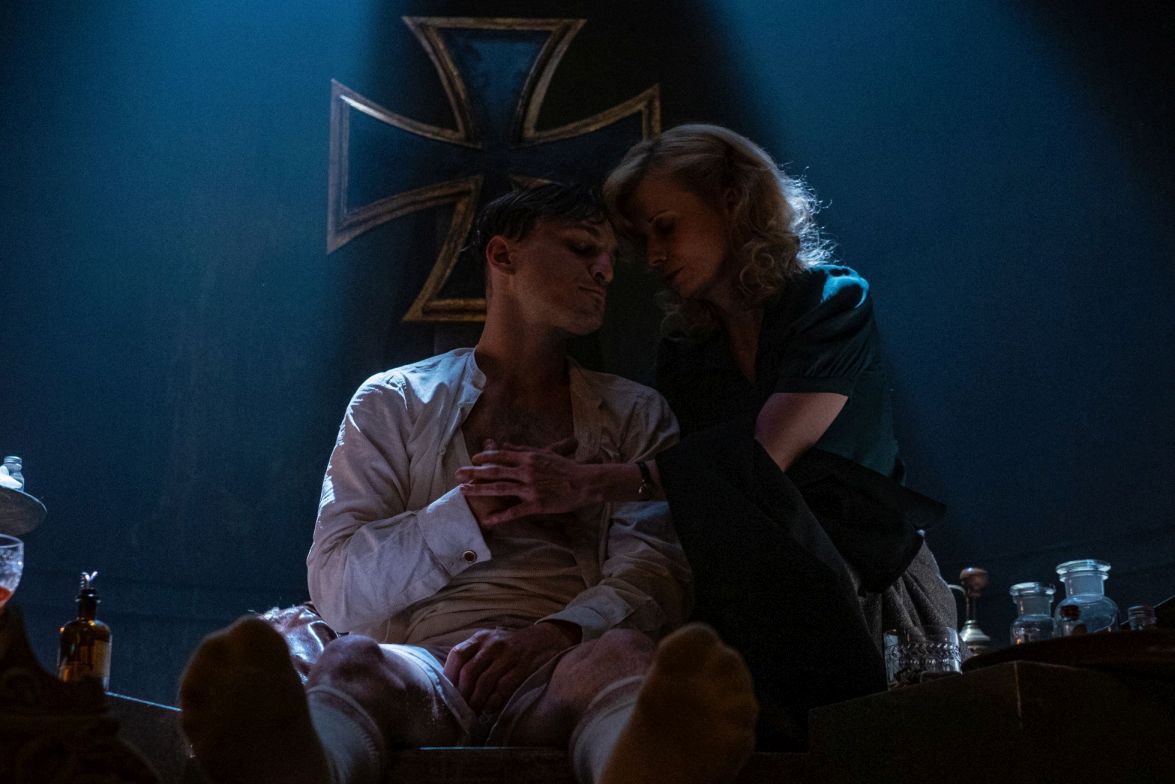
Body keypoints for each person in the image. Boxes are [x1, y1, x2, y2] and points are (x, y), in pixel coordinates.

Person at [178, 183, 758, 784]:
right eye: (583, 248)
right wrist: (466, 513)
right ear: (503, 256)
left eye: (611, 258)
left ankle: (642, 767)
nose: (605, 271)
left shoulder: (636, 414)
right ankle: (303, 766)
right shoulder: (394, 400)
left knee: (625, 657)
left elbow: (655, 577)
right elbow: (337, 589)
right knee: (350, 662)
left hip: (561, 664)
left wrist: (550, 636)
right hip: (424, 665)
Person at [457, 125, 957, 748]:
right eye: (642, 239)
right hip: (757, 609)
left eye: (665, 228)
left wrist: (590, 482)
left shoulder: (832, 302)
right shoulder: (688, 352)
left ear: (733, 201)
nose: (653, 256)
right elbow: (693, 498)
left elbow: (764, 455)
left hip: (872, 591)